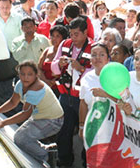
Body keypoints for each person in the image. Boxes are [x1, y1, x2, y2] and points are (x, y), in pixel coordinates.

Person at [0, 61, 64, 164]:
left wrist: (2, 123)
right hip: (39, 117)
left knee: (21, 139)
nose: (26, 77)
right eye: (22, 74)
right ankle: (48, 150)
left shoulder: (36, 89)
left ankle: (47, 155)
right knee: (22, 137)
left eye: (30, 74)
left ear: (36, 75)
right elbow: (13, 102)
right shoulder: (20, 84)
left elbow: (25, 114)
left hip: (53, 121)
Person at [50, 17, 93, 167]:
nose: (73, 38)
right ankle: (64, 162)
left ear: (85, 33)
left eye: (76, 34)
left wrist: (82, 69)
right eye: (71, 34)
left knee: (87, 133)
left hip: (84, 100)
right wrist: (59, 64)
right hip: (65, 96)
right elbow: (53, 68)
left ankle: (86, 163)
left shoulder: (94, 48)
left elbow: (98, 74)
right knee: (63, 132)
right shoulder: (65, 44)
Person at [39, 24, 68, 91]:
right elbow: (39, 68)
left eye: (57, 36)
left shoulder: (66, 52)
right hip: (44, 86)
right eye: (52, 36)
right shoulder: (47, 50)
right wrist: (45, 81)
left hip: (60, 87)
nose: (54, 39)